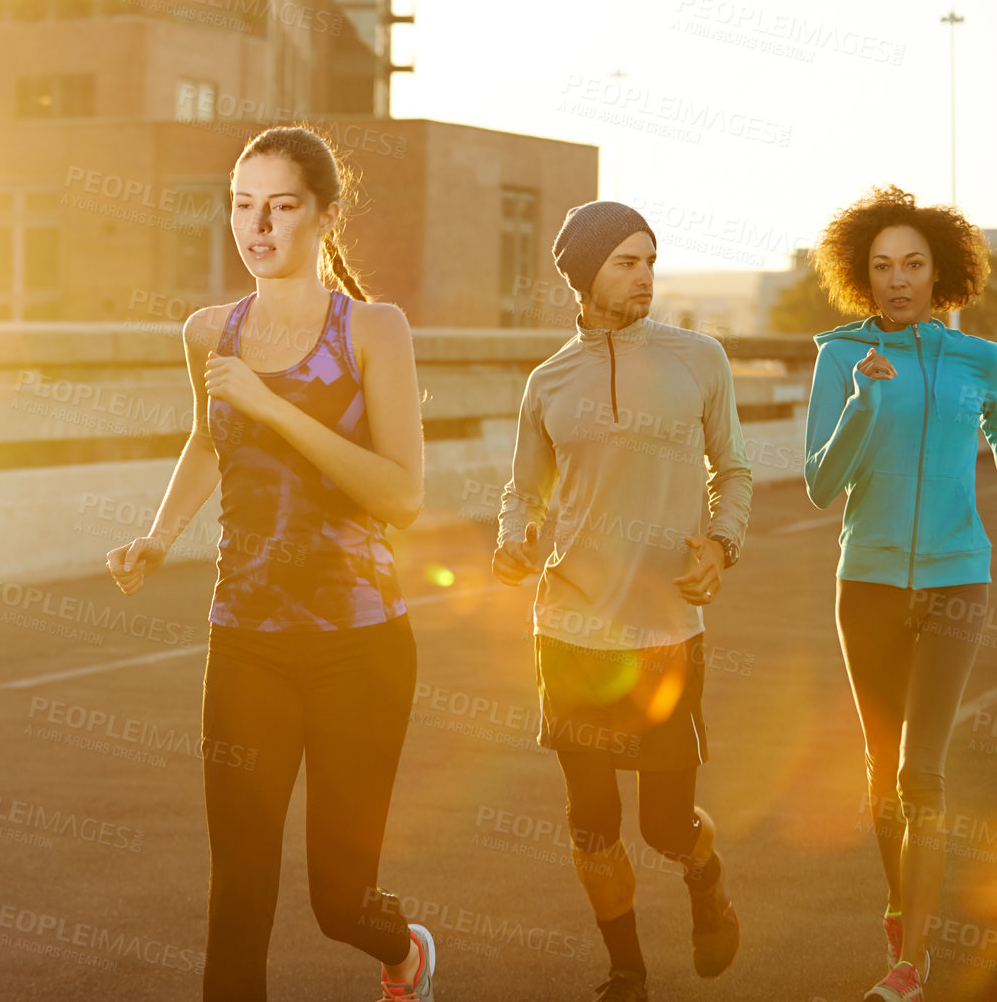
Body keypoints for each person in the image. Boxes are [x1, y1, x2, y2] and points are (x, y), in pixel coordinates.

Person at [105, 125, 435, 1000]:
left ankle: (402, 950)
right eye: (241, 206)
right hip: (244, 640)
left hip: (359, 649)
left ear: (323, 216)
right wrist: (158, 536)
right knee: (238, 896)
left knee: (336, 901)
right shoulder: (208, 331)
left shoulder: (373, 329)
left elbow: (401, 495)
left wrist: (271, 403)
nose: (257, 225)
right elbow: (207, 442)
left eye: (280, 206)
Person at [492, 200, 751, 1002]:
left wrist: (720, 543)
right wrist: (511, 536)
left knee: (664, 825)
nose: (644, 276)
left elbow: (732, 471)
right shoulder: (547, 381)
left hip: (664, 628)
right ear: (583, 274)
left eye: (649, 259)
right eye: (625, 262)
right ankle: (626, 971)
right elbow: (521, 490)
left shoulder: (698, 359)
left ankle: (703, 877)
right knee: (591, 820)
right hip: (568, 626)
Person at [801, 185, 995, 1002]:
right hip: (867, 582)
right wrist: (862, 402)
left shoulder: (976, 360)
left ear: (940, 270)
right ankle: (901, 902)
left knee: (922, 772)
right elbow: (818, 484)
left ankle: (909, 962)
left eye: (912, 264)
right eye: (881, 266)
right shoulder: (840, 356)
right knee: (881, 770)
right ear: (860, 275)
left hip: (956, 575)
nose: (897, 280)